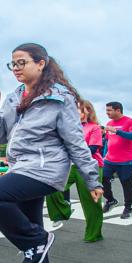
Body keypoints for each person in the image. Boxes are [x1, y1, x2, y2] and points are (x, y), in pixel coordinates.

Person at [0, 43, 103, 263]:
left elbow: (75, 141)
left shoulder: (60, 98)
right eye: (13, 64)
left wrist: (92, 179)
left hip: (46, 169)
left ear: (41, 63)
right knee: (34, 236)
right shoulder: (13, 97)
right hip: (20, 167)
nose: (16, 69)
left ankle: (36, 241)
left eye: (22, 62)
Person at [45, 99, 106, 242]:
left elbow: (92, 149)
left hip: (90, 166)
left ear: (87, 111)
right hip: (70, 166)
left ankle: (94, 234)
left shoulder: (94, 127)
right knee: (51, 187)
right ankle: (63, 210)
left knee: (91, 202)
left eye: (78, 108)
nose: (74, 111)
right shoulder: (68, 127)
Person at [102, 101, 132, 219]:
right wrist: (104, 155)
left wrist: (117, 131)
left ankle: (128, 208)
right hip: (109, 159)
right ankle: (110, 200)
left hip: (126, 161)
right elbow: (108, 142)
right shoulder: (109, 123)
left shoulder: (130, 122)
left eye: (109, 110)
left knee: (126, 184)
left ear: (118, 110)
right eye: (106, 110)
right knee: (102, 179)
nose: (107, 113)